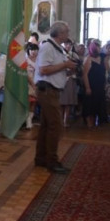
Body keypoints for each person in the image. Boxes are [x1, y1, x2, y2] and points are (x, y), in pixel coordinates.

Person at [33, 21, 78, 174]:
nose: (68, 34)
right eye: (67, 32)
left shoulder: (57, 48)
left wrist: (69, 70)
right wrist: (65, 65)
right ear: (59, 34)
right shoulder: (47, 47)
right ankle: (52, 161)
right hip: (47, 90)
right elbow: (43, 70)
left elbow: (55, 69)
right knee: (55, 126)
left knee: (47, 126)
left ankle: (41, 158)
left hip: (52, 91)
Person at [82, 39, 106, 128]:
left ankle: (95, 120)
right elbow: (85, 75)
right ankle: (89, 122)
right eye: (98, 46)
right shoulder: (88, 59)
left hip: (100, 85)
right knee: (90, 104)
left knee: (97, 104)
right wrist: (87, 87)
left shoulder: (102, 58)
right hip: (91, 84)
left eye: (100, 46)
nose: (99, 48)